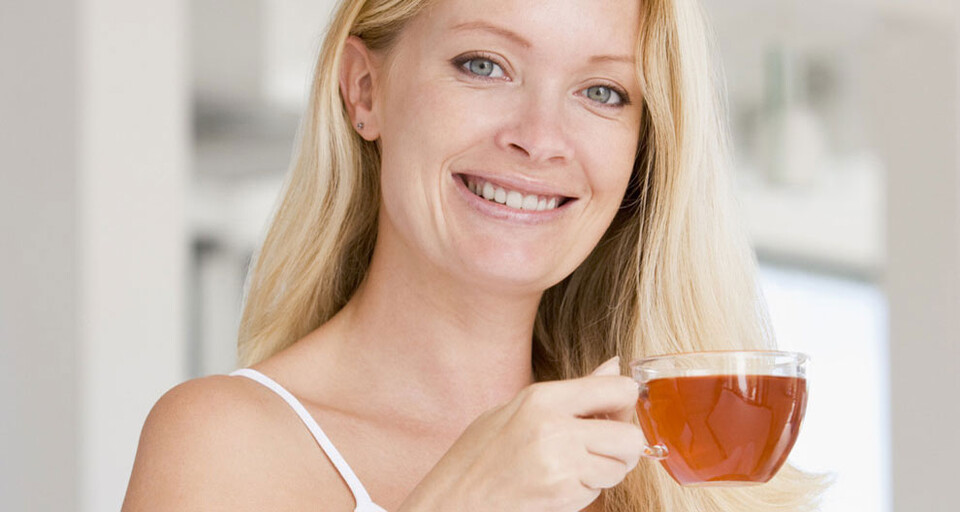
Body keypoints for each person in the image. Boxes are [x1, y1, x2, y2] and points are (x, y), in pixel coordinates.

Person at [123, 0, 825, 510]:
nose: (539, 136)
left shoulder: (677, 470)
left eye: (602, 92)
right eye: (483, 65)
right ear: (365, 91)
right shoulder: (224, 445)